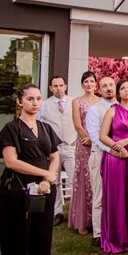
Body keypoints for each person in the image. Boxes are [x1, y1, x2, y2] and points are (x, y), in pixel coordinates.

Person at [0, 84, 61, 255]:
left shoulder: (45, 128)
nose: (35, 103)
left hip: (44, 191)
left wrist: (47, 179)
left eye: (39, 99)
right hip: (17, 192)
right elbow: (11, 161)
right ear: (20, 101)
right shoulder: (11, 129)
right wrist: (45, 174)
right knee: (15, 240)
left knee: (42, 239)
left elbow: (55, 156)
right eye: (30, 99)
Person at [98, 79, 128, 253]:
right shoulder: (112, 111)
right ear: (117, 92)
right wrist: (117, 146)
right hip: (117, 158)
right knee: (117, 196)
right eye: (122, 88)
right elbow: (102, 136)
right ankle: (117, 237)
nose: (126, 90)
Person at [37, 76, 77, 226]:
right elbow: (38, 125)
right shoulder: (44, 105)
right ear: (50, 88)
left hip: (71, 146)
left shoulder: (74, 101)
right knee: (54, 180)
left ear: (65, 86)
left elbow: (81, 121)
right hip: (53, 149)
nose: (58, 88)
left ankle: (75, 212)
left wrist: (77, 138)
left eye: (61, 85)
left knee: (75, 180)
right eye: (55, 86)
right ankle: (57, 212)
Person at [86, 77, 117, 246]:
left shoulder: (121, 107)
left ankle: (114, 228)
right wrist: (112, 149)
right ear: (100, 89)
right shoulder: (95, 109)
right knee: (99, 195)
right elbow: (94, 135)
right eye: (104, 86)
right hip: (100, 154)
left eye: (111, 85)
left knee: (116, 195)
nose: (108, 88)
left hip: (120, 156)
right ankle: (98, 233)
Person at [68, 71, 100, 235]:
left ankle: (96, 220)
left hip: (97, 143)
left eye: (92, 81)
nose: (89, 84)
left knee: (96, 180)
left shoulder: (101, 101)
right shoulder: (76, 101)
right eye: (86, 82)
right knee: (83, 179)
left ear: (96, 84)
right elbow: (77, 124)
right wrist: (86, 138)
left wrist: (95, 139)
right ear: (82, 84)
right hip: (83, 144)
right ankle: (81, 221)